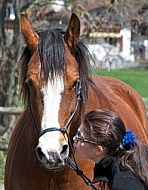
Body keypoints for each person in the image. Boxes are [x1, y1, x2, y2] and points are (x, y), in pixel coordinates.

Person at [73, 109, 148, 190]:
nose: (74, 138)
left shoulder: (124, 182)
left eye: (80, 138)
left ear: (98, 150)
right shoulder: (123, 163)